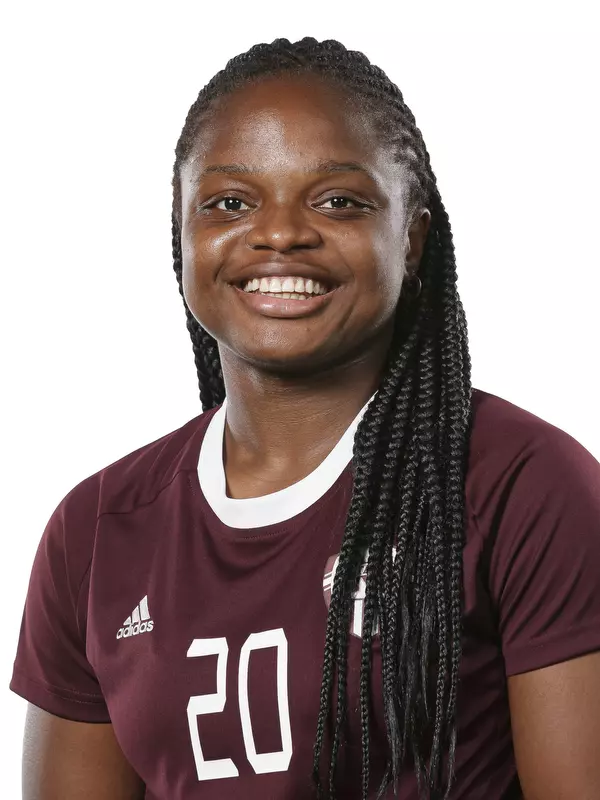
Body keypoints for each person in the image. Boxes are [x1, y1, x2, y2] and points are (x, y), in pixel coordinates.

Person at [10, 37, 600, 800]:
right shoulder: (94, 533)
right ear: (181, 233)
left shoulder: (521, 485)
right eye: (229, 202)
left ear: (413, 237)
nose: (281, 232)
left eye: (338, 201)